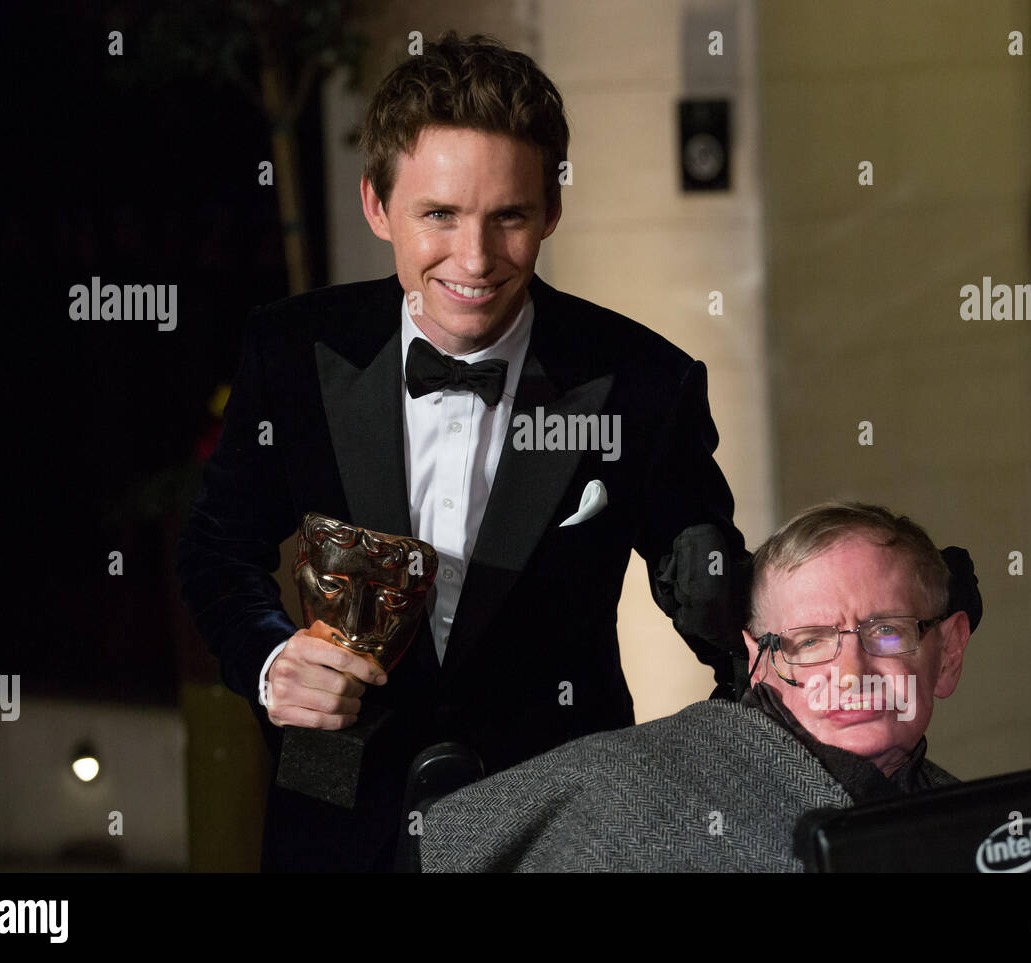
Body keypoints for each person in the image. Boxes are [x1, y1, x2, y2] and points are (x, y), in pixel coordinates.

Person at [175, 31, 748, 872]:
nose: (474, 261)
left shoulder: (643, 381)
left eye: (508, 216)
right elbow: (217, 551)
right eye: (438, 214)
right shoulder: (292, 351)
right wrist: (269, 659)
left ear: (551, 209)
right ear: (378, 206)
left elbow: (714, 595)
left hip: (562, 817)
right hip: (334, 815)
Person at [420, 502, 981, 872]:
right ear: (758, 661)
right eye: (809, 642)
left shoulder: (996, 829)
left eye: (887, 631)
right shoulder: (626, 793)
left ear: (949, 651)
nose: (852, 674)